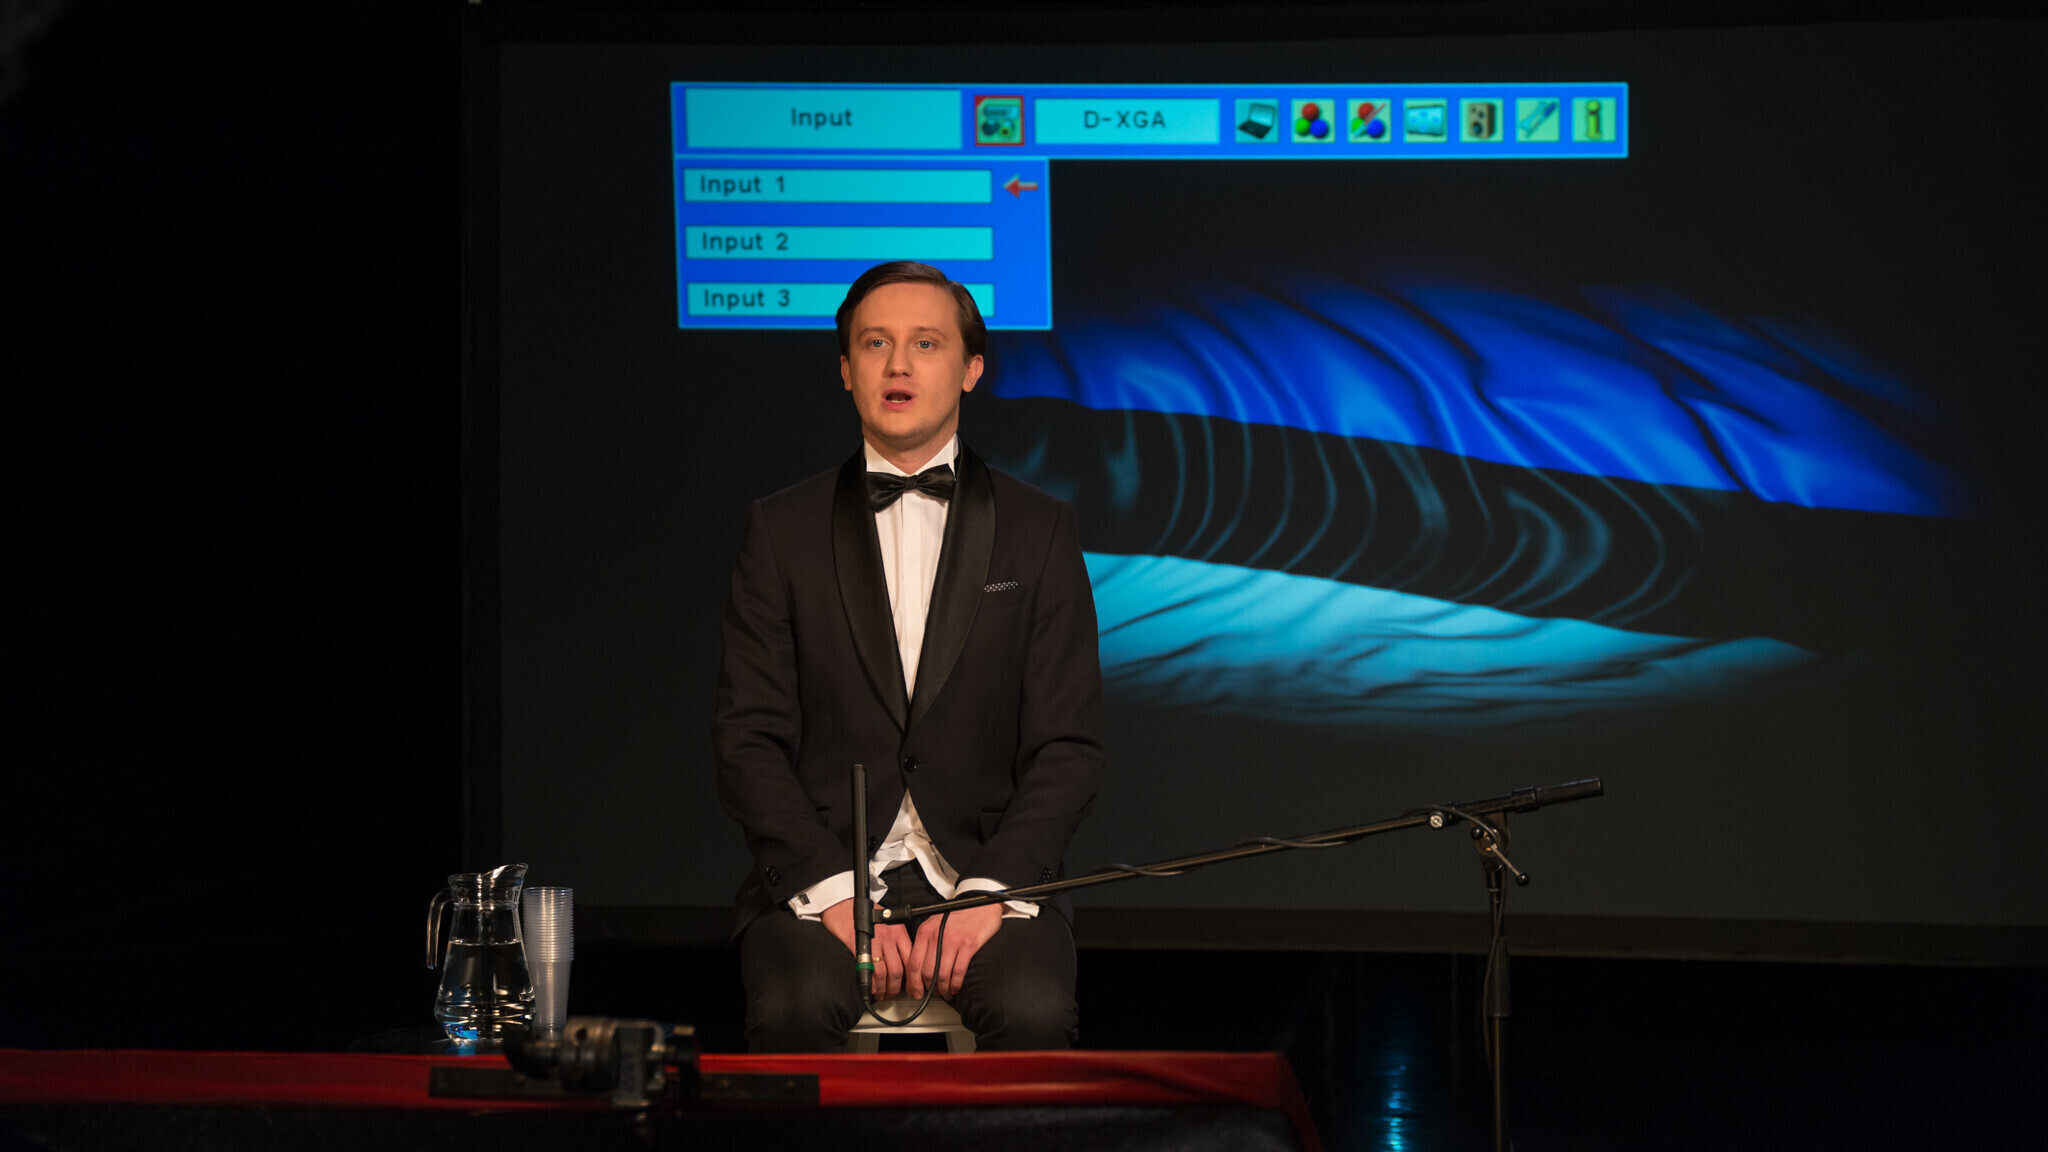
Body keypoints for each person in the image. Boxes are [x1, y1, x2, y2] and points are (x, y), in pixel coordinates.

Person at [713, 261, 1105, 1052]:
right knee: (793, 1008)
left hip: (990, 876)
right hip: (821, 881)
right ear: (846, 370)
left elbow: (1068, 745)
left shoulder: (1041, 529)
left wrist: (992, 890)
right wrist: (832, 889)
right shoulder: (780, 531)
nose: (898, 365)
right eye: (875, 343)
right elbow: (747, 740)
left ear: (971, 369)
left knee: (1032, 1008)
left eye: (925, 343)